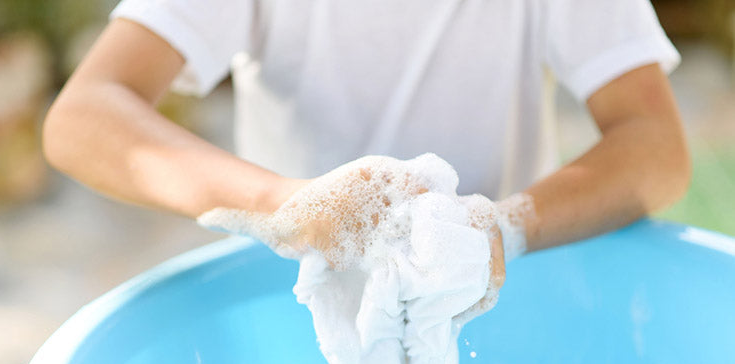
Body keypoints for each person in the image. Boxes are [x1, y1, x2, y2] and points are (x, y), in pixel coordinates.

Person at [42, 0, 690, 307]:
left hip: (493, 293)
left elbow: (655, 147)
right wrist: (287, 204)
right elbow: (84, 117)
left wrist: (503, 228)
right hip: (290, 296)